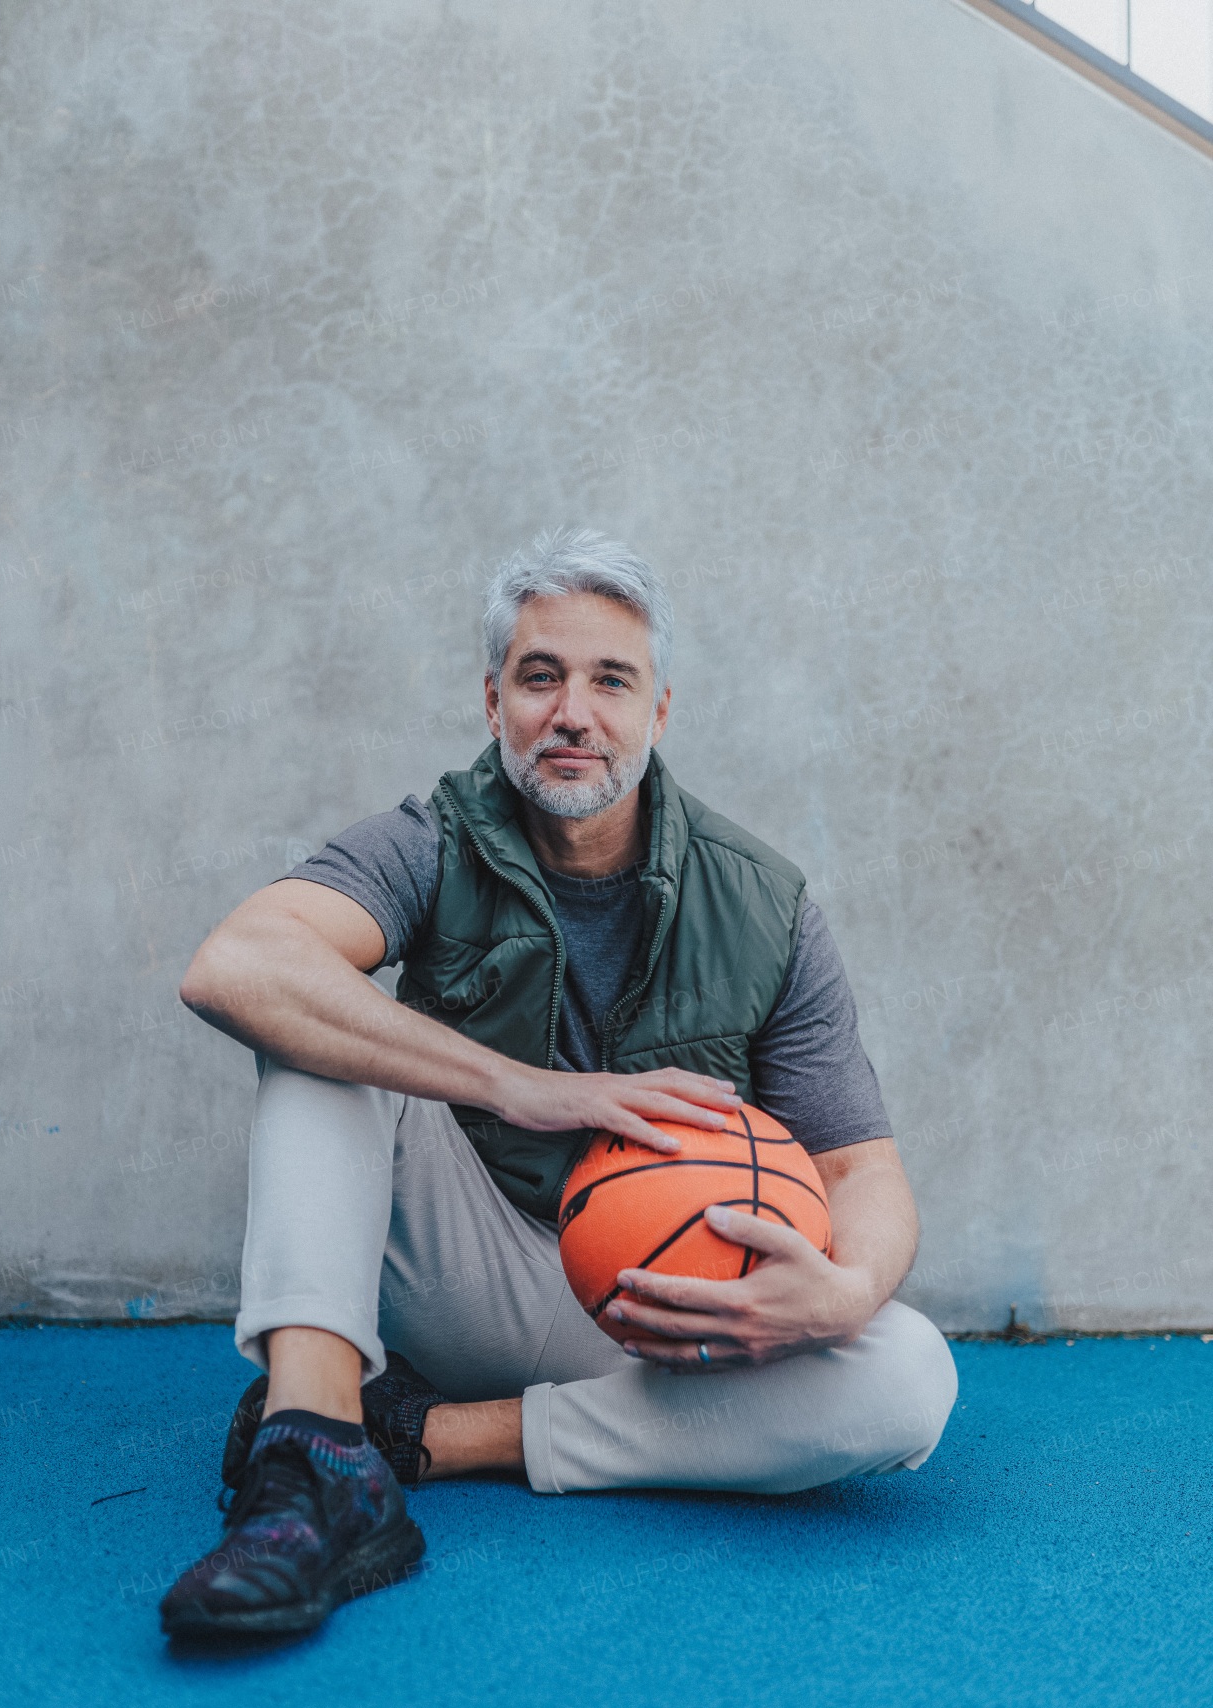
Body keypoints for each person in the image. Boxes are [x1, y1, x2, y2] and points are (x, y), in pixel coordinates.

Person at [159, 528, 957, 1638]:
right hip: (457, 1265)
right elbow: (235, 965)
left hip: (655, 1310)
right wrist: (519, 1086)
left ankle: (422, 1440)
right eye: (541, 677)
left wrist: (844, 1289)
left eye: (608, 680)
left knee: (908, 1376)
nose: (571, 711)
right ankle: (307, 1457)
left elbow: (858, 1165)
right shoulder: (429, 840)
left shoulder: (764, 903)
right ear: (495, 703)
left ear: (657, 714)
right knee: (314, 1027)